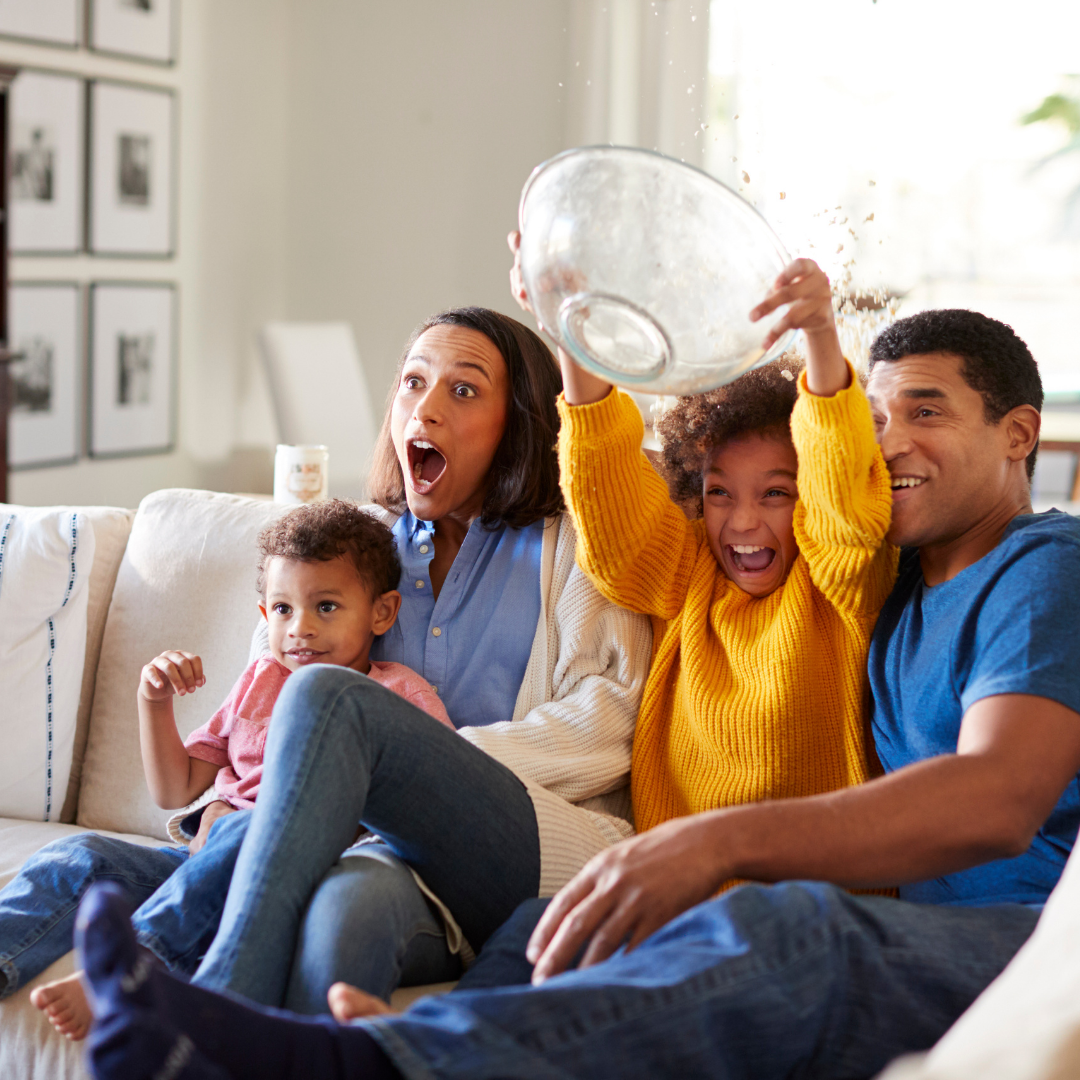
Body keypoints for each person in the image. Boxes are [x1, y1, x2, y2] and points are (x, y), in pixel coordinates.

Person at [73, 300, 1080, 1080]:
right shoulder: (901, 579)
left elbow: (998, 801)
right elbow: (646, 506)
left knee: (787, 926)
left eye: (927, 412)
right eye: (876, 420)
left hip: (1036, 937)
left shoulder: (1033, 567)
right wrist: (583, 354)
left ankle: (377, 1055)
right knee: (547, 927)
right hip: (878, 908)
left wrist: (714, 838)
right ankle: (360, 1036)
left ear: (1020, 434)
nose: (892, 443)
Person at [0, 307, 649, 1023]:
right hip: (346, 851)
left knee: (334, 705)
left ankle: (161, 994)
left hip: (512, 842)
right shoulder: (347, 544)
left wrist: (408, 766)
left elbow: (609, 722)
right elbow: (265, 710)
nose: (425, 407)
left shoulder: (575, 544)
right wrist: (219, 805)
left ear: (518, 424)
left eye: (463, 391)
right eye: (412, 383)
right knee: (94, 863)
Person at [26, 500, 453, 1040]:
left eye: (325, 606)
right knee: (76, 857)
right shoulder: (261, 681)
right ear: (264, 614)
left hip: (287, 876)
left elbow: (428, 810)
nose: (299, 629)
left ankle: (131, 969)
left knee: (249, 827)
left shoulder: (401, 696)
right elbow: (175, 788)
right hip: (201, 867)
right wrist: (153, 700)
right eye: (282, 609)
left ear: (382, 612)